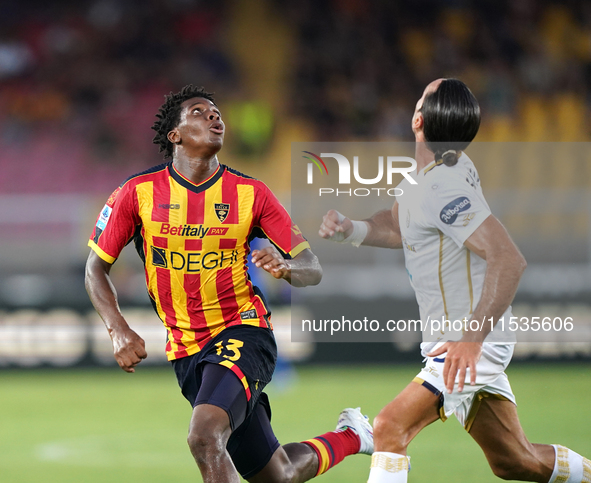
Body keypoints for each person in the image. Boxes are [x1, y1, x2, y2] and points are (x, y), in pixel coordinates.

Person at [85, 85, 373, 483]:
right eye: (200, 112)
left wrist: (288, 267)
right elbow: (95, 269)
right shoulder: (137, 193)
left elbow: (313, 267)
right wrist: (117, 328)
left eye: (217, 113)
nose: (215, 118)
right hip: (187, 349)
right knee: (277, 474)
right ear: (176, 135)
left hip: (243, 330)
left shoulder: (252, 194)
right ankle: (352, 436)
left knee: (204, 436)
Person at [319, 78, 590, 483]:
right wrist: (352, 229)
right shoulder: (435, 175)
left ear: (417, 120)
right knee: (515, 460)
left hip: (468, 343)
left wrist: (472, 339)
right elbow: (399, 224)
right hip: (461, 342)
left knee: (389, 427)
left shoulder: (442, 186)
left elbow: (508, 259)